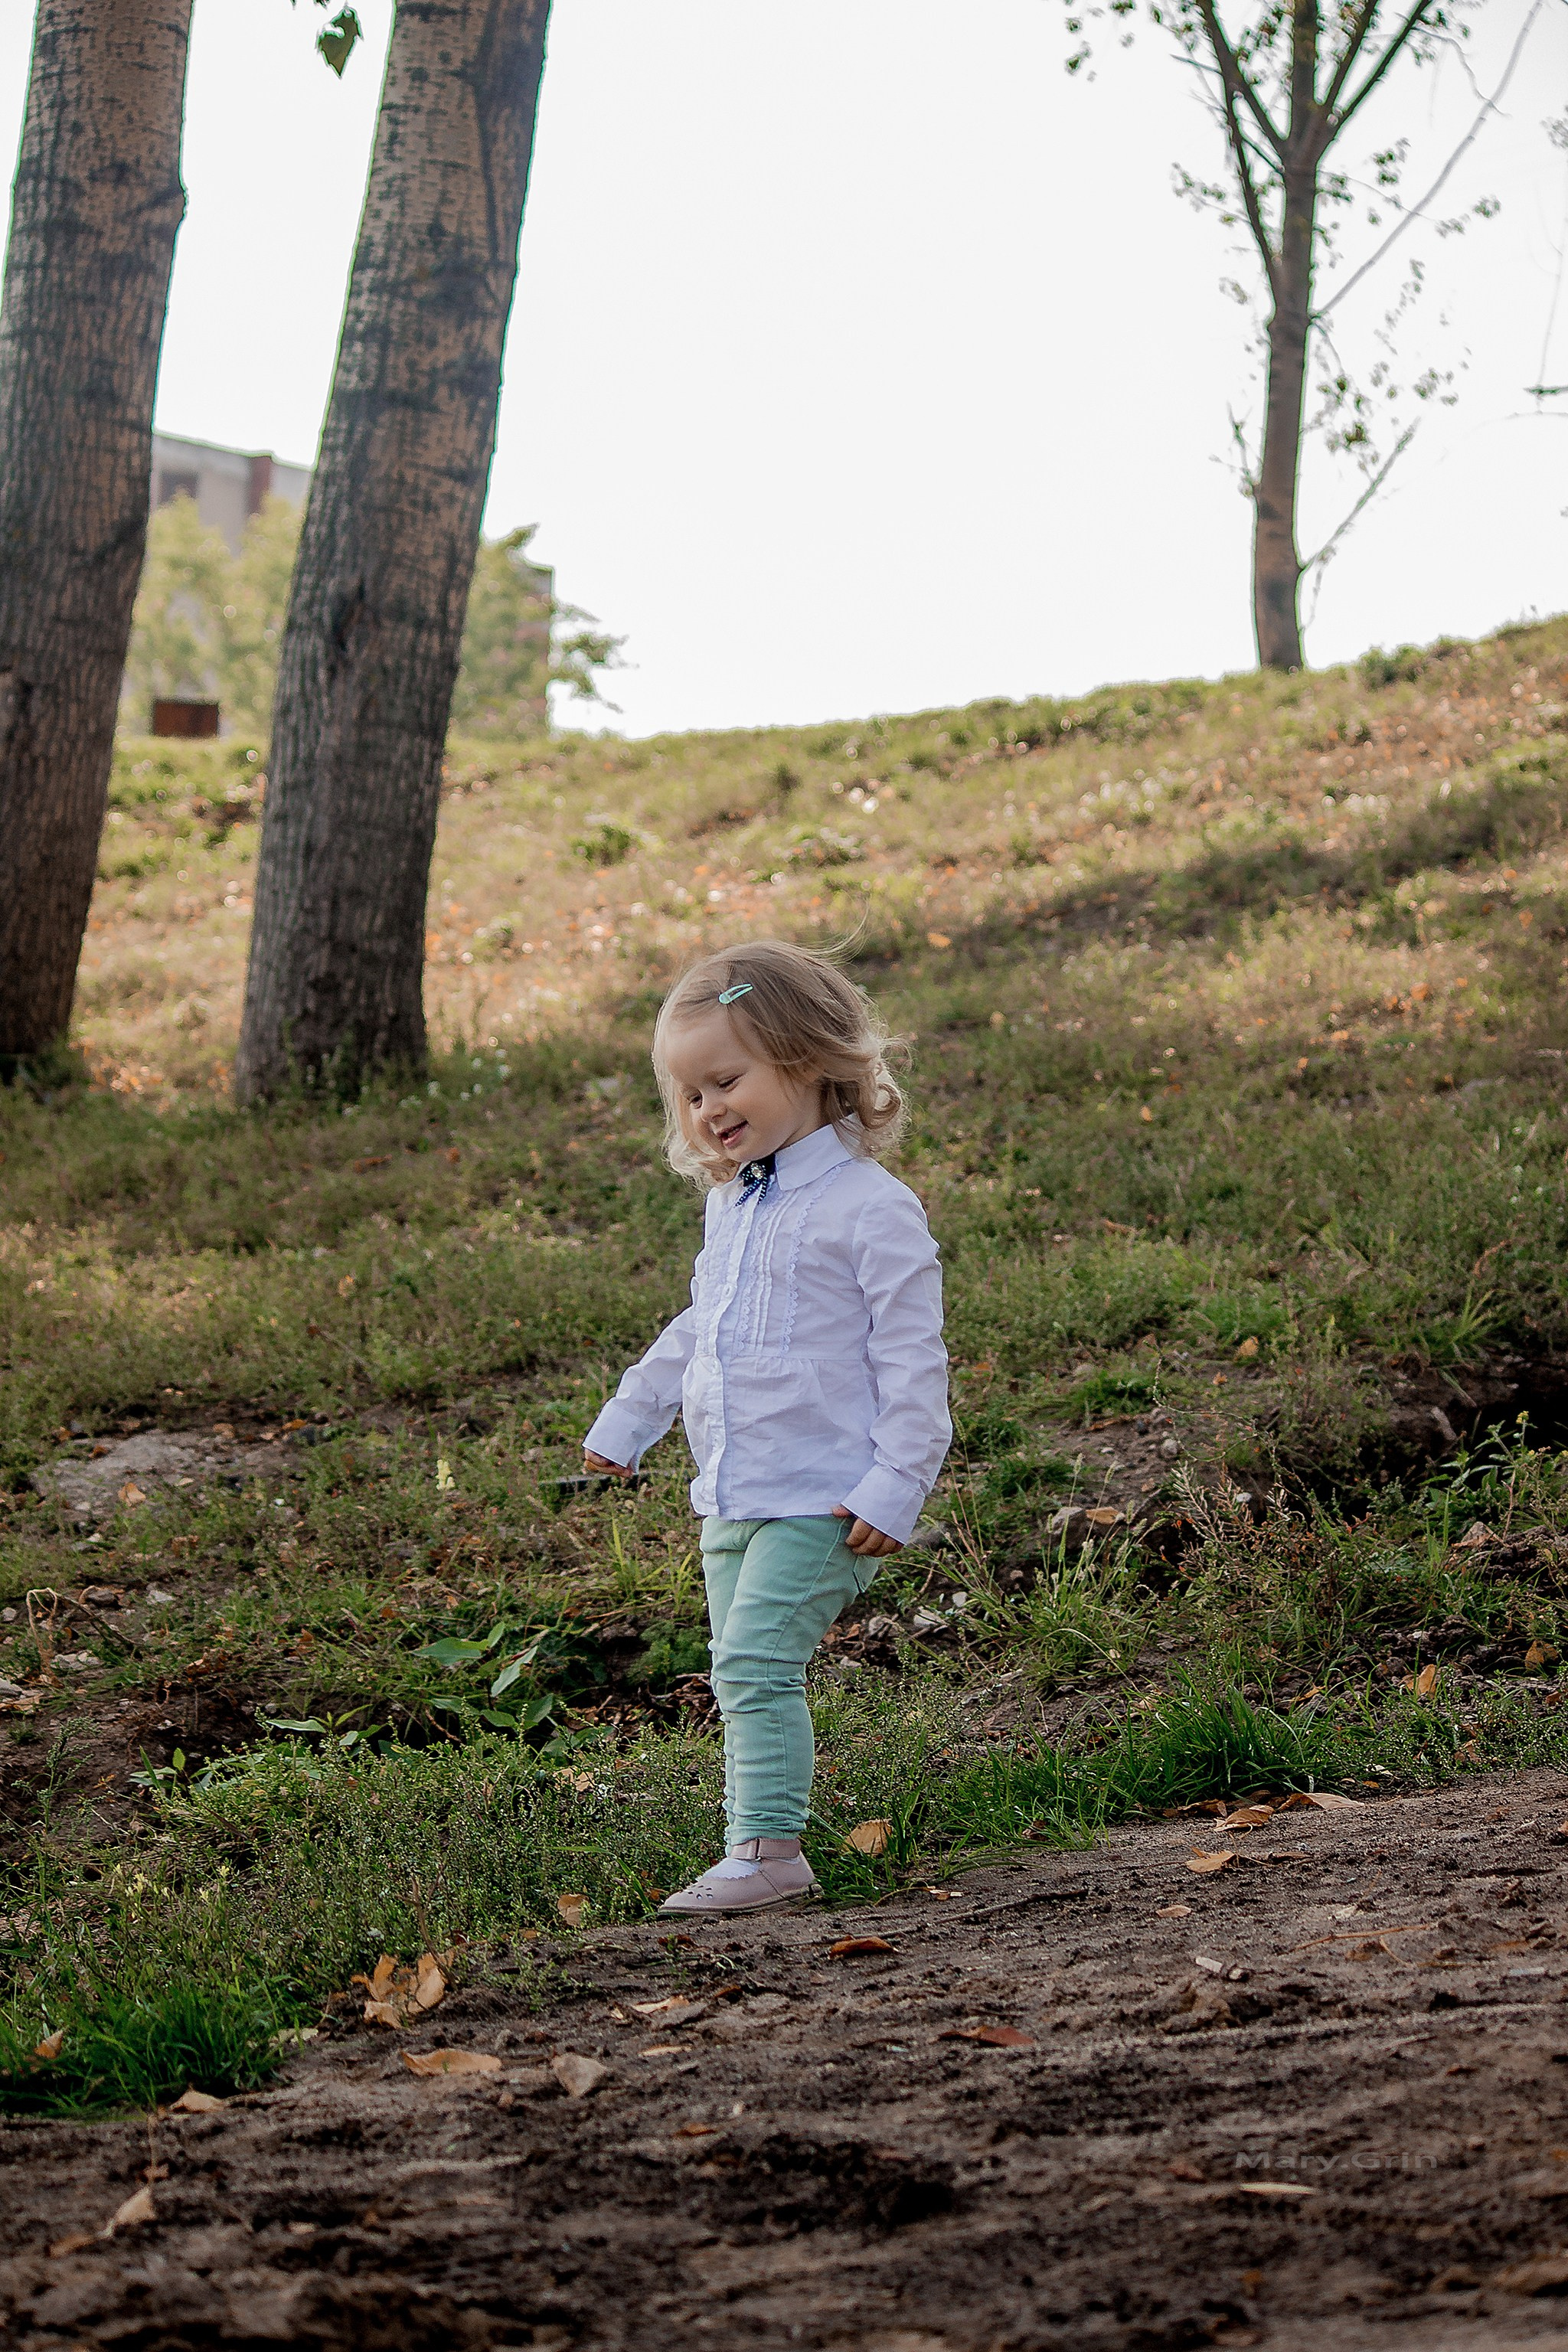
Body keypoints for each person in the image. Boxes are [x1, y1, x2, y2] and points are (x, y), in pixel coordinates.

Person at [583, 939, 951, 1915]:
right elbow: (703, 1324)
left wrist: (895, 1484)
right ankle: (754, 1841)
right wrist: (632, 1413)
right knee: (735, 1665)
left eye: (725, 1080)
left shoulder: (870, 1208)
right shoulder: (731, 1209)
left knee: (753, 1662)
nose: (708, 1111)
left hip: (828, 1495)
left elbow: (913, 1363)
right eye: (690, 1094)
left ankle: (768, 1855)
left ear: (806, 1059)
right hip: (735, 1492)